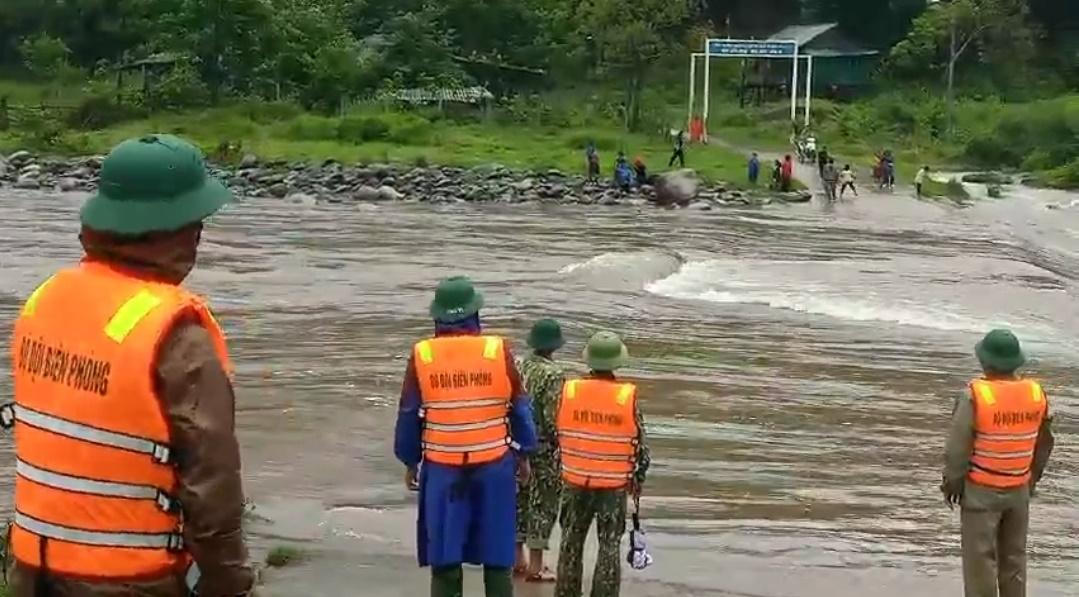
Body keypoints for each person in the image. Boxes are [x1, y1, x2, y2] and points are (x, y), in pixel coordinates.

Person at [5, 134, 255, 597]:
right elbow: (212, 486)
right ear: (180, 230)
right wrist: (230, 583)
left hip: (32, 570)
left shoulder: (45, 299)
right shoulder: (176, 334)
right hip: (129, 579)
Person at [395, 276, 538, 597]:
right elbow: (519, 406)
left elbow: (409, 413)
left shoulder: (422, 354)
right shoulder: (497, 350)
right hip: (494, 466)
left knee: (445, 556)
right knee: (497, 554)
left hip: (442, 469)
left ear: (437, 316)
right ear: (475, 313)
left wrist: (410, 460)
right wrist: (524, 454)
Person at [942, 329, 1054, 597]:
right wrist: (1030, 480)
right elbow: (1045, 443)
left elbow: (957, 448)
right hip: (1018, 490)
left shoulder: (975, 395)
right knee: (1014, 560)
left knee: (980, 563)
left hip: (981, 491)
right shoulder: (1036, 393)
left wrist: (952, 483)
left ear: (984, 361)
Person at [555, 332, 650, 597]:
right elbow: (641, 448)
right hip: (613, 485)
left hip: (575, 481)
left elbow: (556, 432)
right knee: (609, 546)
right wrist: (638, 481)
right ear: (617, 362)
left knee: (570, 543)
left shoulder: (570, 391)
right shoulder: (625, 396)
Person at [514, 319, 567, 584]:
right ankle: (536, 566)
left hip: (516, 444)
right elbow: (553, 418)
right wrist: (561, 445)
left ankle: (517, 559)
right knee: (543, 504)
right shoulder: (554, 374)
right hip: (543, 447)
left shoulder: (518, 365)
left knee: (520, 499)